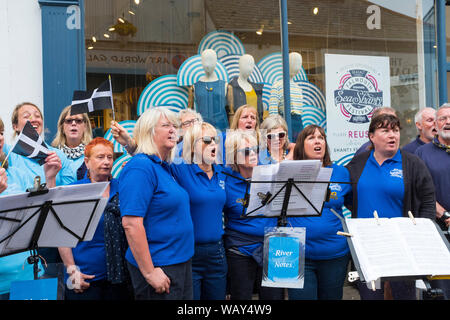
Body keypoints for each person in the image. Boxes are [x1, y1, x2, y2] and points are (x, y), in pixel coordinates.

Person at [345, 113, 436, 300]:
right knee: (371, 296)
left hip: (401, 247)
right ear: (372, 136)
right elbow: (348, 196)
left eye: (395, 131)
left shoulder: (412, 164)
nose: (392, 135)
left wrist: (421, 234)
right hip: (368, 246)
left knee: (403, 295)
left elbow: (427, 200)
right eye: (385, 131)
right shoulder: (358, 163)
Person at [119, 107, 194, 300]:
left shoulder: (163, 166)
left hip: (179, 263)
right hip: (160, 267)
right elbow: (131, 224)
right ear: (149, 132)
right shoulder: (140, 167)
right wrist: (150, 272)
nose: (173, 130)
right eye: (166, 125)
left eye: (174, 126)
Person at [58, 137, 132, 300]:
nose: (106, 161)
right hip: (84, 278)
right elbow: (62, 237)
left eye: (109, 157)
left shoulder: (122, 187)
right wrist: (72, 270)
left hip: (121, 279)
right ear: (87, 161)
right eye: (100, 157)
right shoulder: (74, 191)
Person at [287, 125, 352, 300]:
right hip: (297, 254)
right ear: (301, 145)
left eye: (321, 137)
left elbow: (353, 204)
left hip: (334, 254)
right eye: (311, 138)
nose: (318, 141)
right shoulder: (289, 171)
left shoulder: (341, 172)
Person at [6, 102, 75, 264]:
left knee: (51, 286)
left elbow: (71, 196)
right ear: (15, 126)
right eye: (27, 115)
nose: (34, 119)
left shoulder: (58, 156)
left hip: (51, 235)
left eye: (37, 115)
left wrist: (51, 179)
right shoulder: (7, 154)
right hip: (17, 235)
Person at [222, 130, 283, 300]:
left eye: (255, 149)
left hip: (273, 246)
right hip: (239, 249)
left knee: (274, 298)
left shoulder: (272, 174)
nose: (254, 154)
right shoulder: (226, 179)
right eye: (246, 151)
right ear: (234, 157)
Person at [171, 122, 227, 300]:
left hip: (218, 253)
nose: (213, 144)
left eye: (215, 140)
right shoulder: (182, 169)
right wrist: (129, 144)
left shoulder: (222, 172)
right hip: (191, 253)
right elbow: (153, 161)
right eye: (207, 140)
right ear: (192, 146)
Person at [0, 117, 46, 299]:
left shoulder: (15, 173)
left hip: (29, 273)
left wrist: (50, 178)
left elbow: (42, 213)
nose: (0, 138)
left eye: (1, 133)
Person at [415, 104, 450, 299]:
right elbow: (421, 192)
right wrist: (444, 214)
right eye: (443, 118)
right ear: (435, 125)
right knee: (441, 290)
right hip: (437, 232)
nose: (448, 122)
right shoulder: (422, 154)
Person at [52, 105, 93, 180]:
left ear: (85, 126)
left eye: (78, 121)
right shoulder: (52, 154)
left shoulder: (93, 154)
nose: (73, 123)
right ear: (62, 127)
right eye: (68, 121)